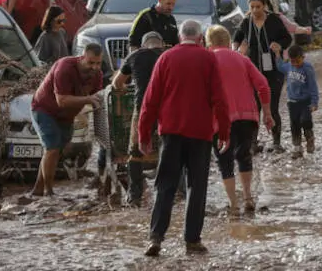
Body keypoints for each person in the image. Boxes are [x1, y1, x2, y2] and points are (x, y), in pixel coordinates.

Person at [139, 20, 230, 257]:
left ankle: (156, 238)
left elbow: (150, 100)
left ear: (180, 37)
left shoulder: (166, 58)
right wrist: (224, 132)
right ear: (200, 38)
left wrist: (143, 133)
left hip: (170, 133)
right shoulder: (209, 59)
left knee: (165, 185)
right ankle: (192, 240)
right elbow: (219, 98)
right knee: (196, 187)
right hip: (200, 134)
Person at [206, 25, 272, 215]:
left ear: (209, 43)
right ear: (228, 41)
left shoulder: (208, 61)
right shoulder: (242, 59)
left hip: (220, 120)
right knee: (244, 156)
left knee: (224, 160)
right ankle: (248, 197)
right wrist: (267, 113)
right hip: (248, 117)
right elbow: (263, 85)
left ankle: (234, 203)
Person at [29, 45, 104, 198]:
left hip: (67, 116)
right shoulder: (65, 67)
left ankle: (37, 190)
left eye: (98, 63)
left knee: (55, 151)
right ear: (81, 58)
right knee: (52, 148)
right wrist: (87, 99)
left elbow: (98, 98)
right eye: (91, 63)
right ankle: (49, 193)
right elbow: (62, 100)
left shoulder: (97, 74)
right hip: (45, 109)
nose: (94, 67)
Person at [112, 31, 166, 207]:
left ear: (143, 45)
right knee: (169, 147)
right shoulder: (167, 55)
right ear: (162, 44)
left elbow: (117, 83)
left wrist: (124, 88)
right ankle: (174, 191)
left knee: (134, 151)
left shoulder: (134, 56)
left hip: (143, 107)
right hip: (167, 108)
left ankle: (135, 194)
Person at [233, 0, 292, 152]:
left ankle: (276, 142)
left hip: (273, 71)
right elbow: (236, 38)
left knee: (272, 107)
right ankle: (253, 142)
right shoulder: (246, 22)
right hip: (252, 71)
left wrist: (279, 45)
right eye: (252, 7)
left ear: (264, 6)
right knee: (254, 108)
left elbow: (287, 38)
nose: (255, 10)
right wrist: (237, 50)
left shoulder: (274, 20)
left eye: (258, 7)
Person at [278, 44, 319, 159]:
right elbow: (280, 67)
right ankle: (297, 147)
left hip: (305, 101)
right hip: (292, 102)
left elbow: (313, 86)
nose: (295, 63)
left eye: (297, 61)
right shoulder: (289, 66)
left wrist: (314, 102)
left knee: (306, 121)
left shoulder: (307, 68)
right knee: (294, 124)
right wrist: (277, 55)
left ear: (303, 57)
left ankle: (310, 138)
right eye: (292, 61)